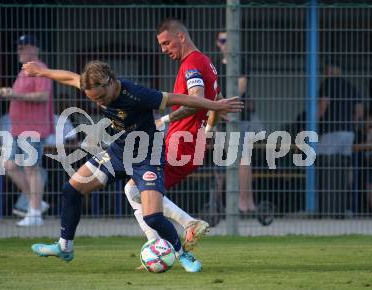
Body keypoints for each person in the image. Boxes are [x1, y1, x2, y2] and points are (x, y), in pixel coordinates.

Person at [23, 60, 243, 272]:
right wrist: (41, 71)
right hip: (119, 152)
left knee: (153, 217)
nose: (99, 103)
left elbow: (181, 98)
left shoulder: (138, 94)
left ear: (109, 82)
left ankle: (183, 255)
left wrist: (215, 105)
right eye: (93, 100)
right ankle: (64, 247)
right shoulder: (92, 85)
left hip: (147, 156)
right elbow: (68, 77)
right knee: (71, 189)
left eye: (100, 97)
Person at [123, 18, 225, 254]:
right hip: (191, 143)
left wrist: (164, 119)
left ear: (181, 37)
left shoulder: (191, 65)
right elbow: (216, 104)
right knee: (143, 193)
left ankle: (182, 228)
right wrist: (207, 132)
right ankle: (158, 244)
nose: (164, 50)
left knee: (135, 190)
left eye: (167, 43)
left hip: (182, 143)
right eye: (161, 45)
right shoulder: (207, 63)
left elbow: (196, 98)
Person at [0, 35, 54, 226]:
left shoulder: (40, 68)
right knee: (9, 165)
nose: (19, 50)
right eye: (18, 47)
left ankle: (35, 213)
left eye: (23, 47)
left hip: (33, 127)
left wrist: (15, 94)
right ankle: (37, 202)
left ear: (35, 49)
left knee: (31, 168)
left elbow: (44, 96)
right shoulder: (24, 71)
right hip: (17, 127)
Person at [215, 31, 263, 215]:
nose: (226, 43)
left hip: (238, 117)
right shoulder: (216, 64)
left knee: (243, 158)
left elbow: (241, 86)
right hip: (223, 117)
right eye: (222, 40)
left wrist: (227, 105)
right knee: (228, 159)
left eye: (229, 40)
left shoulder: (240, 60)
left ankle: (244, 202)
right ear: (218, 43)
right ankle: (239, 202)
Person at [316, 61, 364, 217]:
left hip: (331, 130)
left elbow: (323, 105)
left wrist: (313, 122)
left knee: (323, 164)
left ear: (330, 70)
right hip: (348, 132)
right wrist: (350, 123)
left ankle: (324, 205)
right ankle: (344, 205)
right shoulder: (351, 86)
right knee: (345, 166)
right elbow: (359, 112)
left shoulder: (328, 83)